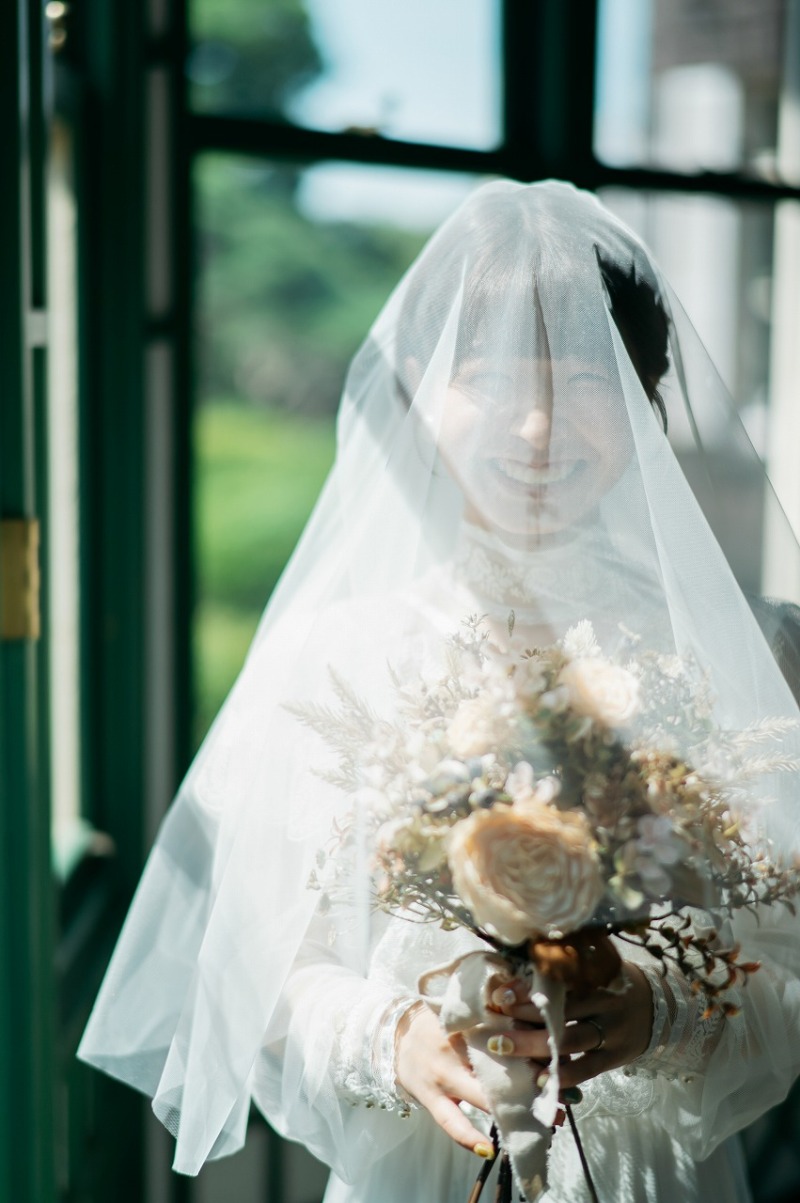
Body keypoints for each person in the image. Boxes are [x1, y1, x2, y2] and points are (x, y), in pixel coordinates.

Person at [79, 180, 800, 1203]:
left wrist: (664, 1007)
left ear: (646, 393)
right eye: (494, 373)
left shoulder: (755, 653)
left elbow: (789, 954)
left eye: (586, 379)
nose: (538, 424)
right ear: (419, 386)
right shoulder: (331, 657)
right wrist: (397, 1039)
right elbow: (254, 967)